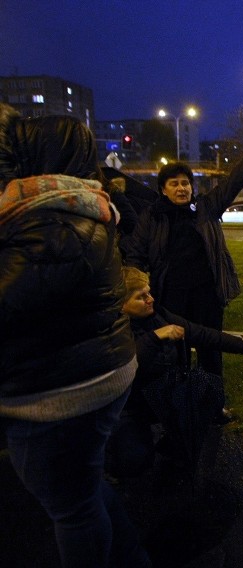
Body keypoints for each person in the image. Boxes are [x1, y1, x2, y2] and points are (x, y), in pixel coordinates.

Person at [0, 104, 150, 567]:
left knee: (73, 510)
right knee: (83, 491)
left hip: (62, 395)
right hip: (77, 376)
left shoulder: (57, 223)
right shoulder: (65, 212)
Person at [124, 135, 243, 422]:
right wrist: (137, 289)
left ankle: (213, 407)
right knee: (174, 356)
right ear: (163, 190)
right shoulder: (151, 218)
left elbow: (233, 182)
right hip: (170, 299)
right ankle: (175, 408)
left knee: (210, 353)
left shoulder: (205, 208)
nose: (182, 188)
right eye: (174, 183)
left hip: (206, 297)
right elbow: (135, 255)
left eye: (185, 183)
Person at [108, 267, 243, 477]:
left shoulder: (159, 314)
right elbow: (129, 363)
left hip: (162, 394)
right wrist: (154, 337)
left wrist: (242, 347)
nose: (150, 299)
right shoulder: (113, 330)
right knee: (135, 460)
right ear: (122, 305)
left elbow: (199, 332)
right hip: (131, 406)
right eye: (141, 297)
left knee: (209, 391)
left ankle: (172, 447)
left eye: (149, 292)